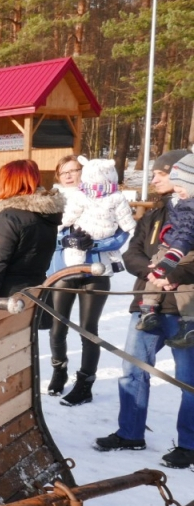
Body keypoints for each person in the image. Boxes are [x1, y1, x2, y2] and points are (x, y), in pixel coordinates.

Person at [95, 148, 194, 469]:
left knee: (189, 379)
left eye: (160, 174)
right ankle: (130, 433)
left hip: (185, 307)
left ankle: (190, 444)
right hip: (146, 303)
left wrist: (172, 274)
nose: (154, 180)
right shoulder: (153, 214)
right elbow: (131, 252)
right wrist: (151, 272)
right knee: (133, 370)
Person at [47, 157, 134, 404]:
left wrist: (95, 243)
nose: (69, 175)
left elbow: (121, 234)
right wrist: (66, 240)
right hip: (64, 270)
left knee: (88, 329)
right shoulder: (55, 201)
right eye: (63, 172)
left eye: (74, 170)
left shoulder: (106, 198)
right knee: (57, 328)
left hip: (97, 271)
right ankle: (58, 370)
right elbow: (46, 235)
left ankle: (85, 383)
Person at [0, 160, 64, 305]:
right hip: (28, 300)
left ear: (9, 182)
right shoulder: (44, 216)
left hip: (3, 304)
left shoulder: (9, 218)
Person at [137, 153, 194, 346]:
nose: (177, 191)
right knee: (157, 265)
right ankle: (149, 309)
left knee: (186, 286)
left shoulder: (190, 208)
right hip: (167, 249)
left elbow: (184, 237)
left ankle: (188, 322)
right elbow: (132, 252)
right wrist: (154, 270)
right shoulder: (173, 204)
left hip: (177, 252)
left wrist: (167, 268)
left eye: (181, 186)